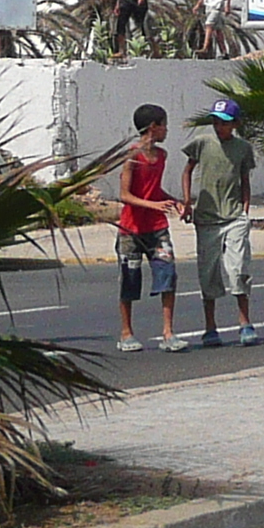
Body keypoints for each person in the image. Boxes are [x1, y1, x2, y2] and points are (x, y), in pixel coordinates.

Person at [184, 98, 259, 348]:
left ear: (235, 124)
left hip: (234, 216)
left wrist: (245, 210)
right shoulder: (202, 143)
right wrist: (187, 202)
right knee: (208, 274)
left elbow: (244, 178)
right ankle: (210, 327)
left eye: (225, 122)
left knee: (238, 270)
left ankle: (245, 323)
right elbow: (187, 171)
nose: (219, 127)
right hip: (206, 218)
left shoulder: (242, 148)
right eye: (216, 121)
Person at [112, 103, 180, 353]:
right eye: (163, 124)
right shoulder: (132, 156)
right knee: (129, 279)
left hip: (157, 227)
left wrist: (174, 202)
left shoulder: (161, 156)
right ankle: (126, 332)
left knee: (167, 273)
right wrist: (155, 204)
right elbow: (124, 195)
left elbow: (155, 191)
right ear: (154, 127)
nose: (166, 130)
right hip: (131, 228)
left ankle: (168, 332)